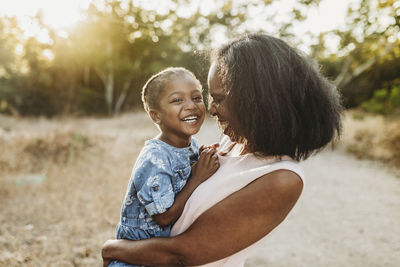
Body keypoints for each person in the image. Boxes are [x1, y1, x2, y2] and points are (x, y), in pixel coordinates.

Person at [102, 33, 342, 266]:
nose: (212, 110)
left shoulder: (281, 179)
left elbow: (182, 255)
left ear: (257, 101)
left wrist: (113, 248)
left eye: (219, 98)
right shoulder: (232, 143)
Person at [108, 67, 220, 267]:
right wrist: (197, 178)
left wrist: (202, 156)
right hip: (136, 257)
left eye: (196, 97)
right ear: (155, 116)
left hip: (162, 253)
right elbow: (163, 217)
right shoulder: (154, 158)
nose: (191, 106)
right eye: (177, 100)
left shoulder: (190, 144)